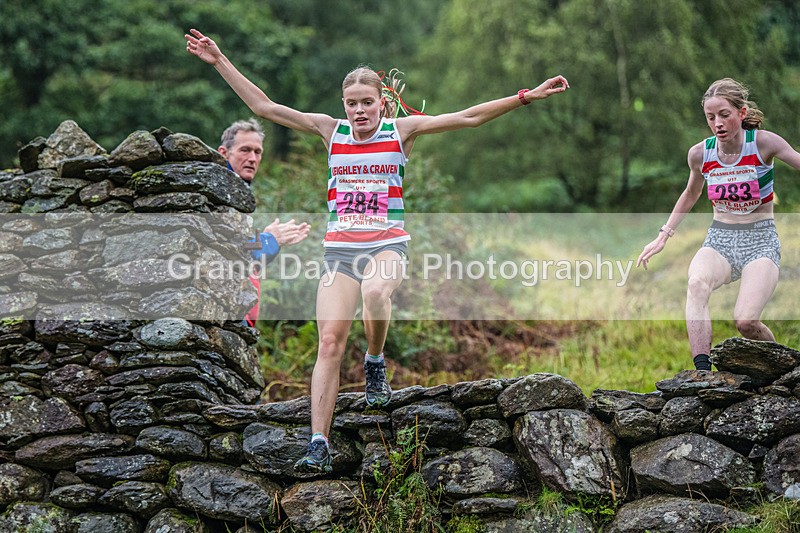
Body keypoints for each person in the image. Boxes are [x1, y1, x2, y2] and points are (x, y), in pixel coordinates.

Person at [186, 27, 569, 472]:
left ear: (381, 103)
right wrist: (220, 61)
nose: (359, 110)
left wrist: (525, 96)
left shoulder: (400, 131)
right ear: (343, 105)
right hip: (339, 252)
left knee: (374, 293)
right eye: (352, 103)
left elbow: (468, 117)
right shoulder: (329, 131)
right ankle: (317, 443)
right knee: (328, 342)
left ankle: (373, 362)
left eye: (367, 102)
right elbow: (264, 107)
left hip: (387, 245)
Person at [637, 78, 800, 371]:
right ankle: (703, 373)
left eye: (724, 114)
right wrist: (663, 237)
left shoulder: (764, 143)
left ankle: (785, 371)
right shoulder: (700, 154)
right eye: (711, 117)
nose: (718, 123)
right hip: (720, 239)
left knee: (746, 322)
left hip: (760, 241)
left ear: (741, 112)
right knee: (697, 283)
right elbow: (691, 193)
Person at [220, 118, 311, 326]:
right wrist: (270, 240)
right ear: (224, 153)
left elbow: (243, 248)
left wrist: (268, 238)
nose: (252, 158)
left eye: (257, 152)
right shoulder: (219, 193)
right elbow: (230, 250)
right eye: (245, 150)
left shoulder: (237, 193)